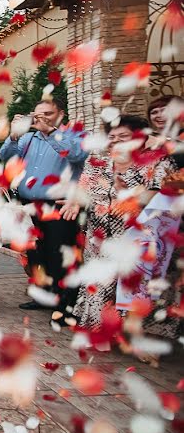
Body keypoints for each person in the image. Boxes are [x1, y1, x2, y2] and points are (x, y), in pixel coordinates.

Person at [64, 115, 175, 329]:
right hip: (99, 233)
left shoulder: (156, 162)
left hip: (136, 233)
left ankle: (136, 333)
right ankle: (100, 328)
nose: (116, 140)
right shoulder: (98, 160)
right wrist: (74, 203)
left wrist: (127, 196)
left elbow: (158, 194)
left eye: (124, 136)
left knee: (133, 283)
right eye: (112, 136)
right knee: (100, 280)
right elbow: (82, 187)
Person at [0, 97, 88, 327]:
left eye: (47, 114)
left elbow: (77, 155)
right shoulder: (29, 138)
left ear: (61, 114)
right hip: (31, 204)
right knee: (38, 254)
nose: (41, 119)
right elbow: (5, 156)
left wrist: (51, 133)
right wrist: (13, 136)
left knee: (62, 256)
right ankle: (44, 295)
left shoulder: (74, 136)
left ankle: (65, 304)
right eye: (37, 115)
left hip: (60, 207)